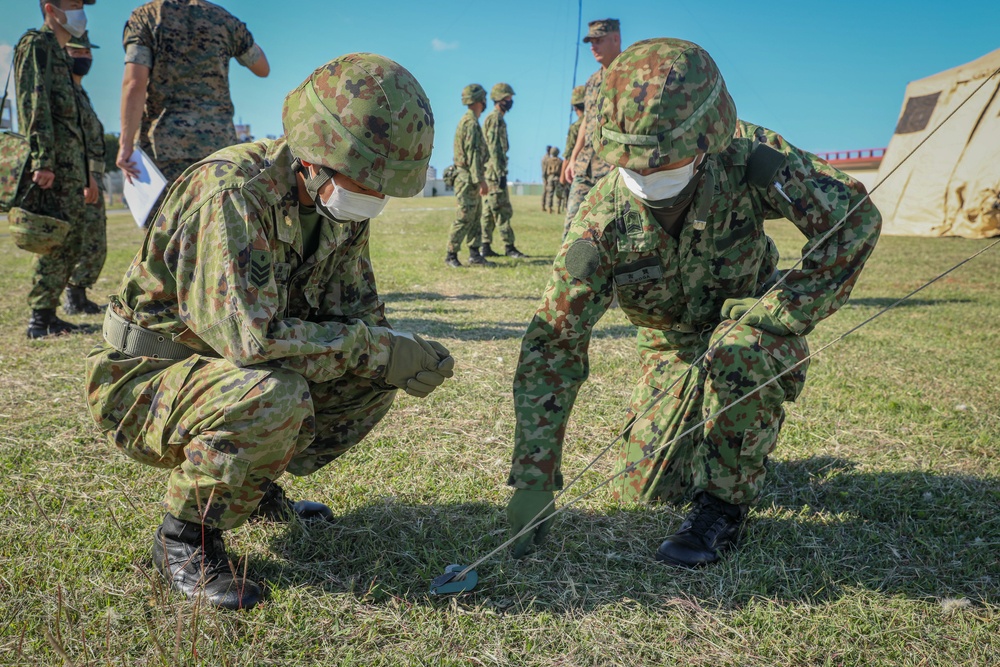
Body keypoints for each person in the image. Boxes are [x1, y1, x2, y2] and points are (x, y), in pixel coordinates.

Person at [85, 53, 454, 610]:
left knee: (373, 373)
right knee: (274, 392)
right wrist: (372, 347)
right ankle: (185, 538)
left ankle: (251, 487)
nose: (374, 197)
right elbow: (251, 342)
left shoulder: (336, 208)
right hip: (143, 379)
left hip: (221, 372)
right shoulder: (232, 193)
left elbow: (356, 314)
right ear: (318, 156)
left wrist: (405, 353)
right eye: (367, 180)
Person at [505, 38, 881, 568]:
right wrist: (533, 477)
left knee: (738, 349)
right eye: (635, 158)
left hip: (750, 331)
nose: (649, 170)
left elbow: (854, 218)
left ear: (709, 136)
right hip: (671, 347)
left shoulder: (751, 155)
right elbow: (555, 344)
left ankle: (722, 505)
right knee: (643, 494)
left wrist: (789, 308)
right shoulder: (601, 220)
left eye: (666, 155)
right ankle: (716, 442)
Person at [116, 0, 270, 192]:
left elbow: (134, 84)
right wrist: (238, 35)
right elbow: (262, 68)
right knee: (217, 220)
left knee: (168, 221)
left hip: (164, 149)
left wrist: (125, 145)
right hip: (218, 149)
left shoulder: (145, 17)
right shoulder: (225, 20)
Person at [14, 0, 97, 339]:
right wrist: (43, 160)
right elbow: (33, 103)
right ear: (51, 8)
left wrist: (88, 172)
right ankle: (39, 320)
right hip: (53, 166)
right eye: (74, 4)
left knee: (71, 243)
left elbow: (75, 120)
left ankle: (50, 315)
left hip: (72, 168)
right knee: (52, 240)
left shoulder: (64, 57)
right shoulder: (36, 44)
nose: (80, 12)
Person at [563, 19, 621, 237]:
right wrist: (573, 157)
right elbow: (586, 122)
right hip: (585, 166)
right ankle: (569, 271)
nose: (593, 47)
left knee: (610, 231)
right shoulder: (592, 81)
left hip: (612, 166)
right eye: (591, 42)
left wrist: (622, 160)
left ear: (615, 38)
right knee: (572, 228)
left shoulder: (631, 75)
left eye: (598, 40)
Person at [62, 30, 106, 315]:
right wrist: (85, 178)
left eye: (88, 52)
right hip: (80, 180)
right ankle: (71, 298)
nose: (85, 57)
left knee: (95, 243)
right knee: (81, 241)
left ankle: (78, 296)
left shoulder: (81, 93)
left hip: (94, 179)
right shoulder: (65, 93)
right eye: (77, 52)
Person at [445, 83, 491, 268]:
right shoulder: (470, 123)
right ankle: (451, 254)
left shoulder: (469, 120)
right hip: (467, 178)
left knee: (475, 216)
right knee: (464, 216)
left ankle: (474, 253)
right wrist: (481, 181)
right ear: (480, 100)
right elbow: (472, 155)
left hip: (468, 176)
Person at [479, 83, 526, 259]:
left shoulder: (497, 118)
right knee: (502, 209)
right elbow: (494, 148)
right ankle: (509, 247)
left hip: (491, 171)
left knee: (489, 212)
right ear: (499, 99)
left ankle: (485, 246)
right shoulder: (495, 119)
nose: (510, 101)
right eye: (508, 98)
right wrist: (500, 173)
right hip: (494, 172)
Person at [541, 147, 562, 214]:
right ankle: (558, 209)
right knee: (558, 194)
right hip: (558, 178)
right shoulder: (560, 161)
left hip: (550, 178)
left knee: (550, 194)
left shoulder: (548, 160)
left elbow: (545, 170)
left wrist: (545, 178)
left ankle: (549, 208)